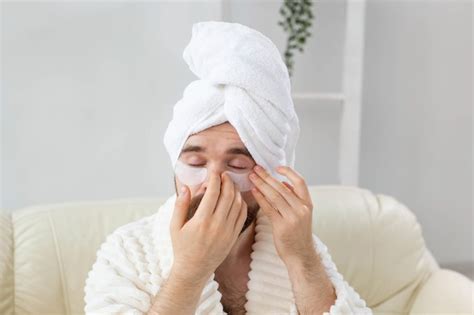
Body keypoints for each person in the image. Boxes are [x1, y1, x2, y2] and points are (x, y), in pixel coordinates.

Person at [84, 21, 372, 315]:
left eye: (237, 164)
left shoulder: (297, 245)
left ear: (270, 175)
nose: (213, 182)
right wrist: (189, 272)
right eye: (195, 162)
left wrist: (301, 259)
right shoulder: (128, 252)